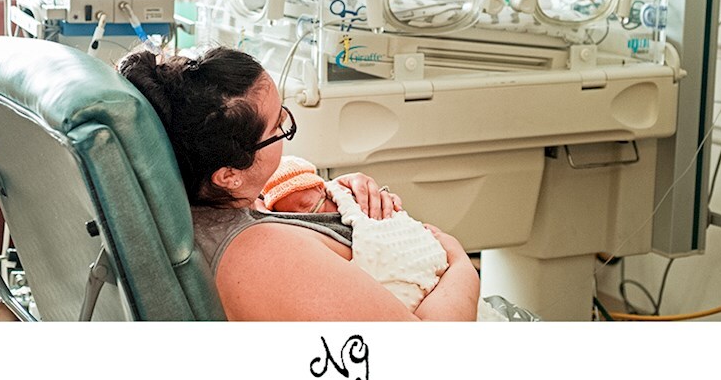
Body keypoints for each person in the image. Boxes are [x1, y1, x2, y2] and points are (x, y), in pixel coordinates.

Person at [116, 46, 480, 322]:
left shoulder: (217, 196)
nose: (285, 134)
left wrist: (333, 197)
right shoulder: (258, 255)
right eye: (277, 127)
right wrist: (461, 263)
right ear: (228, 174)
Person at [262, 156, 448, 312]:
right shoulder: (283, 234)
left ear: (321, 190)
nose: (304, 215)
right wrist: (459, 262)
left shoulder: (341, 195)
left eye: (307, 205)